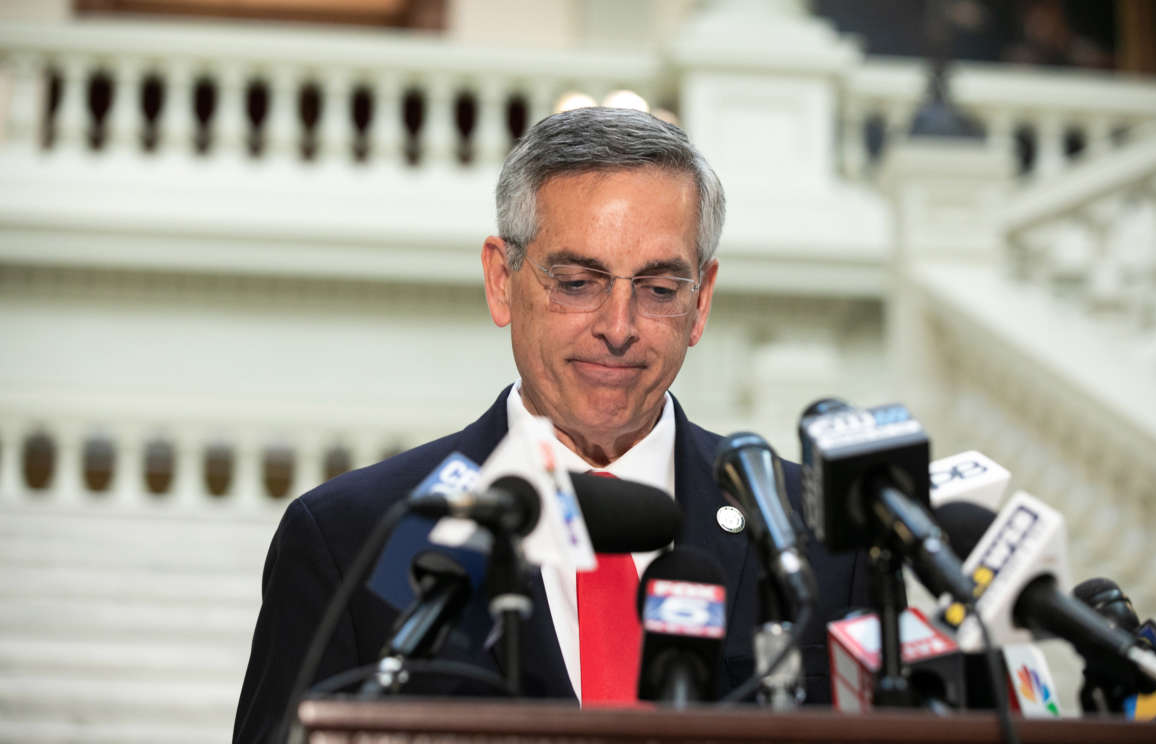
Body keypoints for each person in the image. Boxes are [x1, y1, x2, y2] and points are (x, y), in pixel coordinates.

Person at [233, 107, 871, 743]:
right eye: (576, 282)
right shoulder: (353, 540)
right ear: (500, 280)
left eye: (658, 289)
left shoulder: (816, 543)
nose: (618, 328)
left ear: (700, 301)